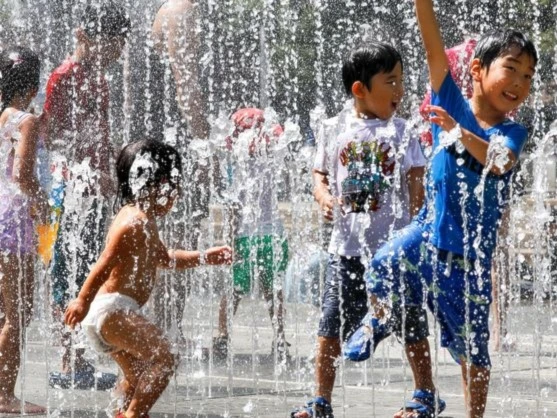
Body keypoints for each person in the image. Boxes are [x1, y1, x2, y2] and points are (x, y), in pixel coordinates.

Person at [347, 1, 538, 416]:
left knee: (473, 350)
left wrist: (459, 132)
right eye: (511, 68)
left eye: (528, 75)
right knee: (382, 264)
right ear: (477, 70)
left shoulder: (511, 131)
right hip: (426, 233)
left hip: (467, 261)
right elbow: (432, 44)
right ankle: (377, 319)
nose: (520, 82)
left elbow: (500, 162)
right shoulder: (448, 97)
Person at [291, 43, 427, 418]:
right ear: (359, 89)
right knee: (330, 326)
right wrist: (322, 197)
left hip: (393, 252)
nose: (400, 91)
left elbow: (416, 178)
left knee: (410, 321)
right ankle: (321, 400)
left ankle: (425, 394)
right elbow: (318, 174)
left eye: (401, 81)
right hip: (345, 249)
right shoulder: (333, 128)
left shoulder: (403, 130)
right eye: (391, 82)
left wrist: (418, 227)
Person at [64, 139, 232, 418]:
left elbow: (165, 259)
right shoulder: (134, 222)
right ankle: (133, 415)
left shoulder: (142, 219)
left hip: (112, 312)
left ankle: (120, 412)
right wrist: (82, 299)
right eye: (175, 186)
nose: (177, 195)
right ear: (161, 183)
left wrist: (206, 257)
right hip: (113, 311)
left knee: (139, 375)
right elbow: (104, 262)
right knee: (165, 359)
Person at [41, 2, 131, 389]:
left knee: (88, 272)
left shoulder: (99, 78)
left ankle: (79, 359)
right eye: (114, 46)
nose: (119, 54)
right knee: (67, 274)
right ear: (90, 38)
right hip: (69, 193)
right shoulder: (64, 76)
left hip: (94, 192)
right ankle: (70, 360)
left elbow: (103, 133)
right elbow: (50, 134)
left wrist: (112, 172)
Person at [214, 108, 290, 361]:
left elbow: (234, 208)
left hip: (245, 236)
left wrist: (229, 239)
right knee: (273, 290)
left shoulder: (235, 165)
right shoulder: (271, 160)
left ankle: (222, 337)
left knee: (234, 289)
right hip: (274, 235)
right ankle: (279, 339)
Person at [0, 46, 49, 414]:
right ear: (32, 86)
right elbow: (22, 176)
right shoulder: (25, 120)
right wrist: (44, 201)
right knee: (19, 312)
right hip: (14, 223)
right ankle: (3, 393)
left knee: (5, 312)